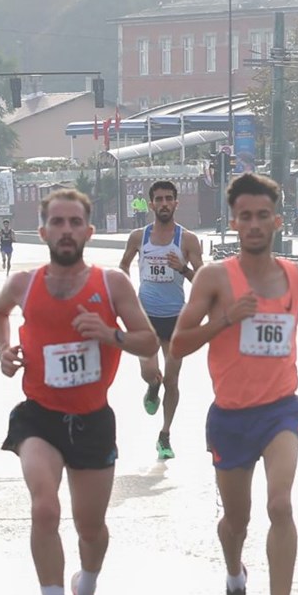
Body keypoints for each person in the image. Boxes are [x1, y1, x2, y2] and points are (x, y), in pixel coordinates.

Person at [0, 189, 159, 595]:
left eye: (75, 223)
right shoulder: (24, 284)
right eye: (57, 223)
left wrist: (110, 334)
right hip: (39, 415)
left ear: (89, 231)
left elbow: (148, 340)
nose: (66, 231)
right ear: (43, 231)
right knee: (44, 509)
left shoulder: (112, 283)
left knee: (91, 528)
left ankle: (85, 593)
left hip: (92, 419)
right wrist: (3, 350)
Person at [171, 172, 298, 595]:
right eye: (245, 217)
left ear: (277, 221)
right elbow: (178, 343)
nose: (255, 224)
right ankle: (235, 577)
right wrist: (225, 319)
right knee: (235, 521)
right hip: (231, 417)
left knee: (279, 506)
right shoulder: (214, 278)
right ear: (234, 222)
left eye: (263, 216)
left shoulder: (297, 276)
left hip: (281, 409)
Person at [119, 178, 203, 460]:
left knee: (173, 380)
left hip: (176, 318)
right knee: (149, 373)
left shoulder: (187, 239)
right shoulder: (138, 237)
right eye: (159, 199)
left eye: (169, 199)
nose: (164, 204)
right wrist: (127, 297)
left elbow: (203, 281)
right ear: (151, 204)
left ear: (176, 203)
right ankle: (151, 387)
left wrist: (183, 269)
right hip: (145, 317)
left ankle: (165, 435)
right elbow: (123, 266)